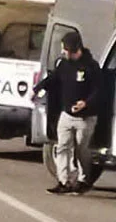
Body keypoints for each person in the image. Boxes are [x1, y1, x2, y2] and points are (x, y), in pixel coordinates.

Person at [34, 31, 104, 195]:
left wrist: (85, 103)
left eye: (65, 49)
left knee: (81, 150)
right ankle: (63, 182)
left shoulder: (91, 66)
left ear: (74, 49)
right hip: (66, 115)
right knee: (62, 147)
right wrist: (37, 89)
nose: (63, 52)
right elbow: (53, 79)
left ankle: (84, 180)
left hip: (85, 118)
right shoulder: (64, 65)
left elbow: (99, 90)